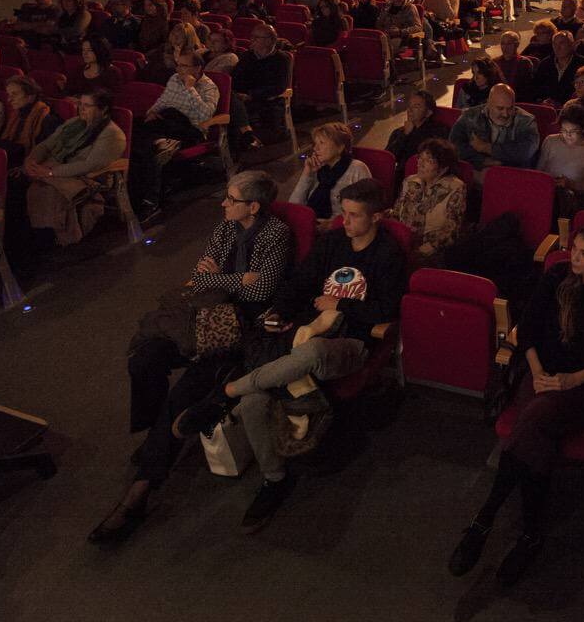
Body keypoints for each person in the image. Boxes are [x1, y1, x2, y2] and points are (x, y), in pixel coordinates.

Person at [177, 178, 408, 533]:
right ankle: (274, 478)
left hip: (352, 342)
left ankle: (224, 396)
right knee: (255, 402)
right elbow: (299, 283)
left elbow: (386, 308)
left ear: (377, 217)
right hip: (304, 331)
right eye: (342, 214)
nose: (343, 222)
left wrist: (340, 303)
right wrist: (277, 313)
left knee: (312, 352)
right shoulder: (333, 242)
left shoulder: (388, 254)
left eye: (353, 216)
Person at [87, 171, 292, 546]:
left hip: (241, 328)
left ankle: (140, 492)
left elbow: (262, 288)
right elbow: (199, 278)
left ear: (254, 206)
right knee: (144, 359)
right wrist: (237, 279)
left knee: (186, 392)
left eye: (231, 199)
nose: (224, 204)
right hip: (203, 315)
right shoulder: (224, 229)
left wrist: (224, 279)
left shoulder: (275, 233)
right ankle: (155, 438)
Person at [448, 223, 584, 585]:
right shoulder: (556, 278)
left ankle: (485, 517)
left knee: (533, 419)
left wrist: (571, 380)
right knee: (536, 434)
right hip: (540, 374)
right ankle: (530, 533)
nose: (574, 257)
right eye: (574, 250)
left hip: (581, 387)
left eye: (583, 253)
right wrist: (536, 372)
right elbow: (529, 329)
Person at [22, 89, 127, 247]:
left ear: (103, 108)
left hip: (85, 177)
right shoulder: (74, 123)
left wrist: (51, 172)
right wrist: (32, 160)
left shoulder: (112, 134)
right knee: (18, 181)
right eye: (80, 104)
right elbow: (46, 144)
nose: (81, 109)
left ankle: (46, 238)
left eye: (87, 106)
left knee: (40, 188)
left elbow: (89, 165)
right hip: (56, 168)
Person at [130, 52, 220, 218]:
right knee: (135, 136)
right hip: (166, 124)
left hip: (190, 131)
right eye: (178, 65)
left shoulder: (209, 87)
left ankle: (151, 201)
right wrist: (152, 113)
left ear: (198, 68)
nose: (179, 69)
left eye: (184, 66)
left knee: (154, 150)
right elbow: (163, 101)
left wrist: (190, 88)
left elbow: (204, 117)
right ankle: (133, 194)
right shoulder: (174, 79)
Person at [389, 138, 466, 261]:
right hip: (400, 243)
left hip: (430, 251)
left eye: (428, 161)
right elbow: (397, 213)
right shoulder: (410, 181)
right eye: (420, 158)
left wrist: (422, 251)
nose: (420, 163)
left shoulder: (455, 187)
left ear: (443, 168)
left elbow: (451, 230)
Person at [449, 83, 539, 181]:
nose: (505, 114)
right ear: (488, 103)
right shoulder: (470, 116)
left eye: (510, 108)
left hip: (512, 177)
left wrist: (486, 148)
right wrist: (483, 161)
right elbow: (453, 145)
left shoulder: (526, 121)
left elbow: (526, 152)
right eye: (500, 108)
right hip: (476, 174)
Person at [290, 122, 373, 228]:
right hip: (311, 226)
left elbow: (366, 212)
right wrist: (307, 173)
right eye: (315, 143)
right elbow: (294, 206)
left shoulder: (357, 169)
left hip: (343, 230)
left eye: (322, 143)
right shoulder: (318, 170)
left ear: (340, 147)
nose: (316, 148)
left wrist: (332, 225)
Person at [228, 25, 290, 150]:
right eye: (252, 37)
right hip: (241, 96)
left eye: (256, 37)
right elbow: (235, 78)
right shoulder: (247, 56)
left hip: (264, 99)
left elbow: (278, 87)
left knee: (234, 105)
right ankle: (247, 135)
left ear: (269, 40)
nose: (252, 40)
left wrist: (251, 95)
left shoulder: (281, 59)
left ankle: (242, 138)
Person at [536, 105, 584, 215]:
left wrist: (570, 184)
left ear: (583, 129)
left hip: (576, 199)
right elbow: (539, 171)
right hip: (547, 191)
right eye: (564, 130)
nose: (568, 135)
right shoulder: (550, 141)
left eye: (573, 131)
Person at [0, 75, 59, 168]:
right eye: (9, 95)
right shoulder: (16, 115)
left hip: (32, 166)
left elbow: (48, 154)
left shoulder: (47, 119)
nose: (9, 100)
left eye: (15, 94)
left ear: (31, 97)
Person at [386, 89, 449, 167]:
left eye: (416, 106)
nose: (410, 110)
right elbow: (387, 159)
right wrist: (404, 135)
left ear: (428, 113)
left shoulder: (439, 131)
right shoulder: (399, 132)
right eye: (409, 106)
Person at [533, 31, 584, 106]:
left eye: (561, 43)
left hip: (572, 107)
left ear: (571, 44)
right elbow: (536, 87)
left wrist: (561, 103)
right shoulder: (545, 63)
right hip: (546, 106)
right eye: (554, 44)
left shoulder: (582, 63)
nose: (557, 47)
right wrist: (542, 101)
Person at [492, 31, 534, 99]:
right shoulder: (494, 62)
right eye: (502, 43)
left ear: (517, 44)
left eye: (509, 43)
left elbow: (527, 89)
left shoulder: (524, 63)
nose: (505, 47)